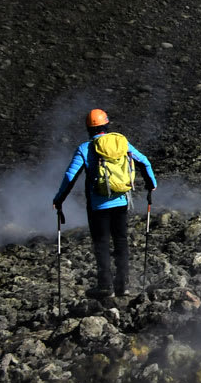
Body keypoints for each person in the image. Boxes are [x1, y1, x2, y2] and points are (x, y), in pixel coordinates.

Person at [53, 109, 157, 298]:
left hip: (98, 206)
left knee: (101, 243)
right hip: (121, 201)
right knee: (121, 241)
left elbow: (70, 176)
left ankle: (105, 286)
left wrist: (59, 199)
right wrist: (151, 184)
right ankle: (123, 285)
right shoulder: (121, 143)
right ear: (106, 125)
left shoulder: (85, 148)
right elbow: (144, 162)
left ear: (88, 128)